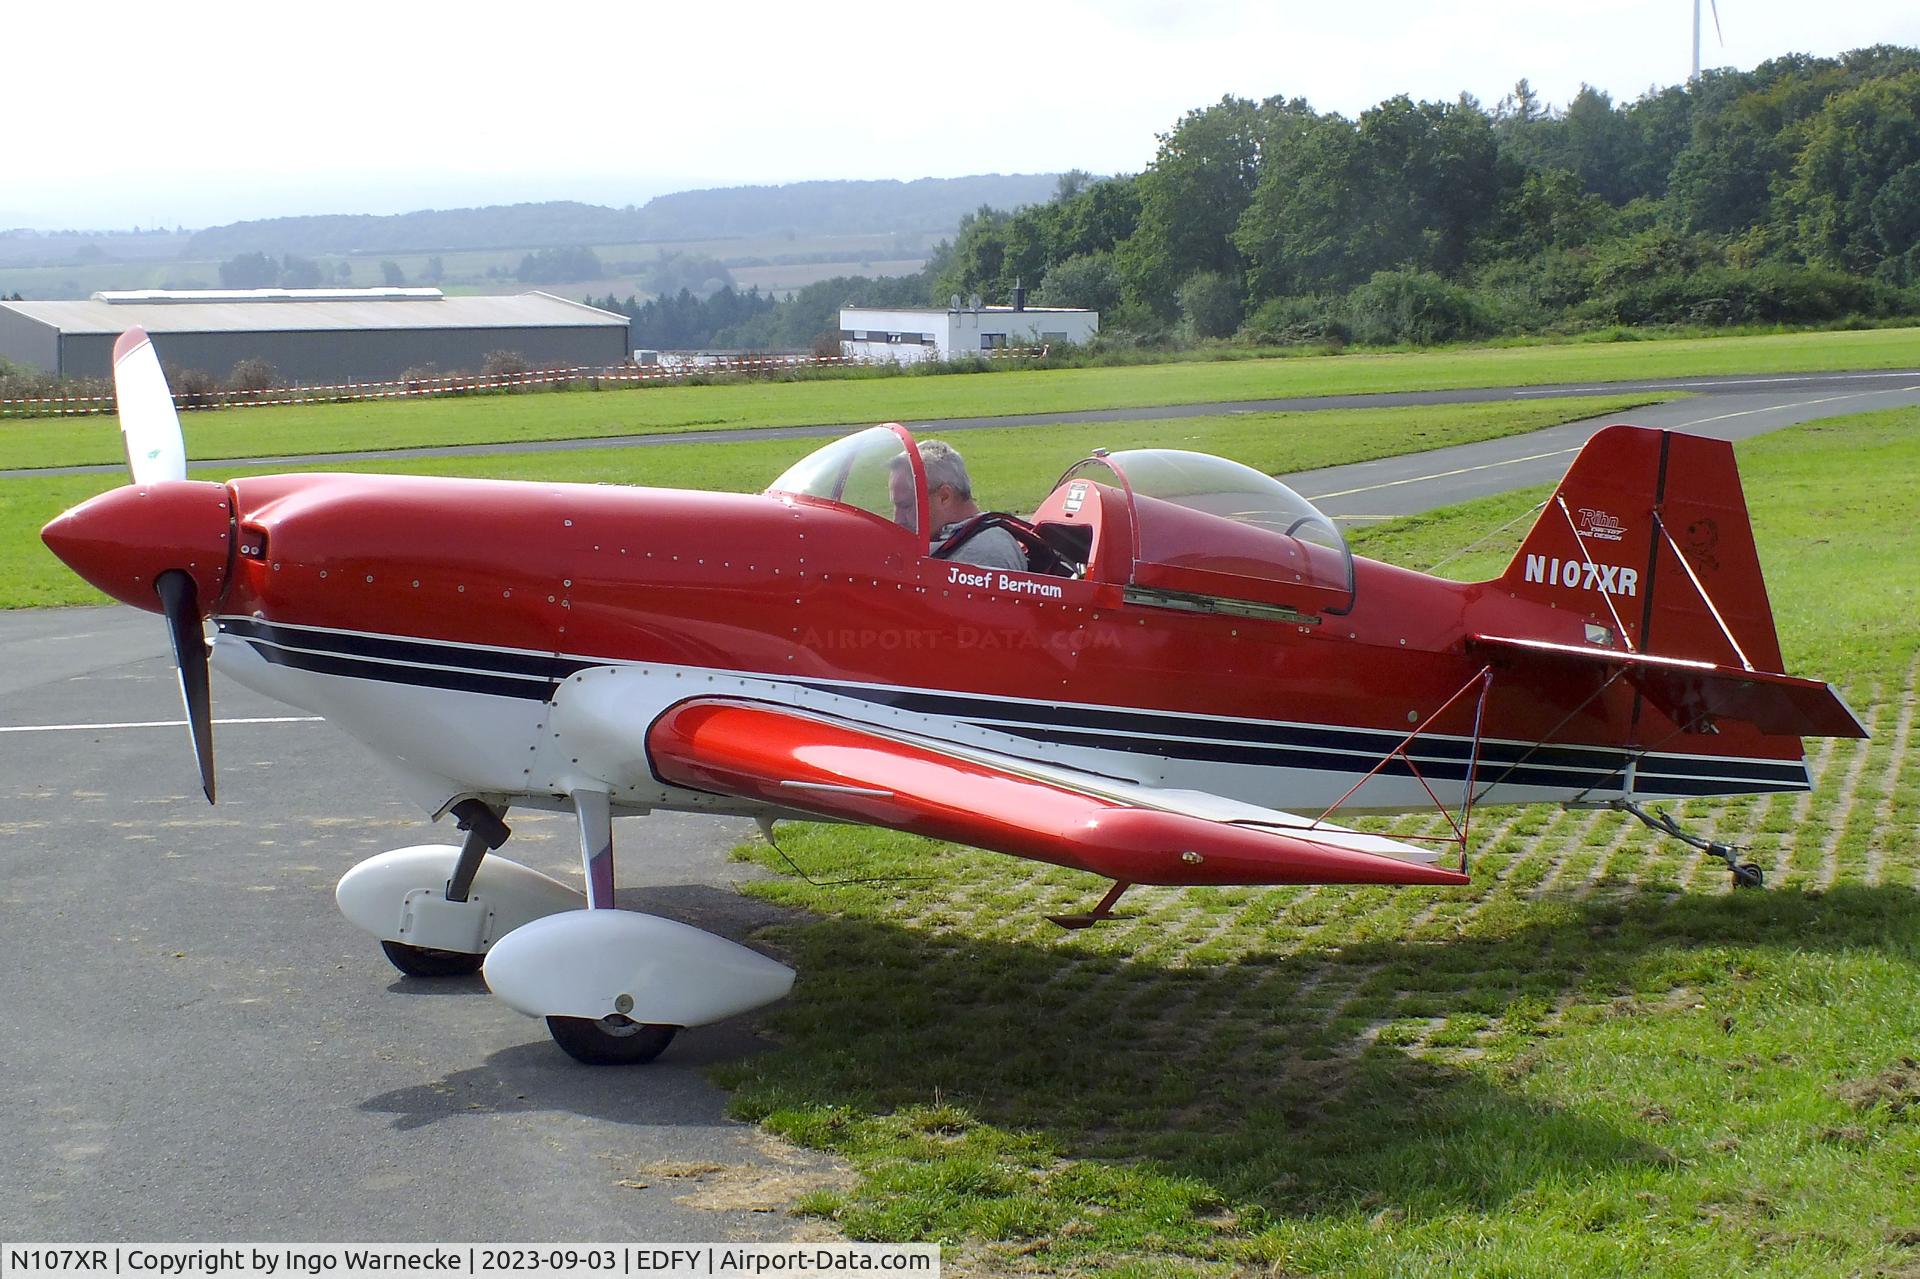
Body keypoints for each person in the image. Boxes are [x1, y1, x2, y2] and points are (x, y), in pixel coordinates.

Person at [889, 439, 1027, 571]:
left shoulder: (983, 554)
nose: (897, 520)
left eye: (906, 506)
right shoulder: (952, 540)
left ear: (944, 497)